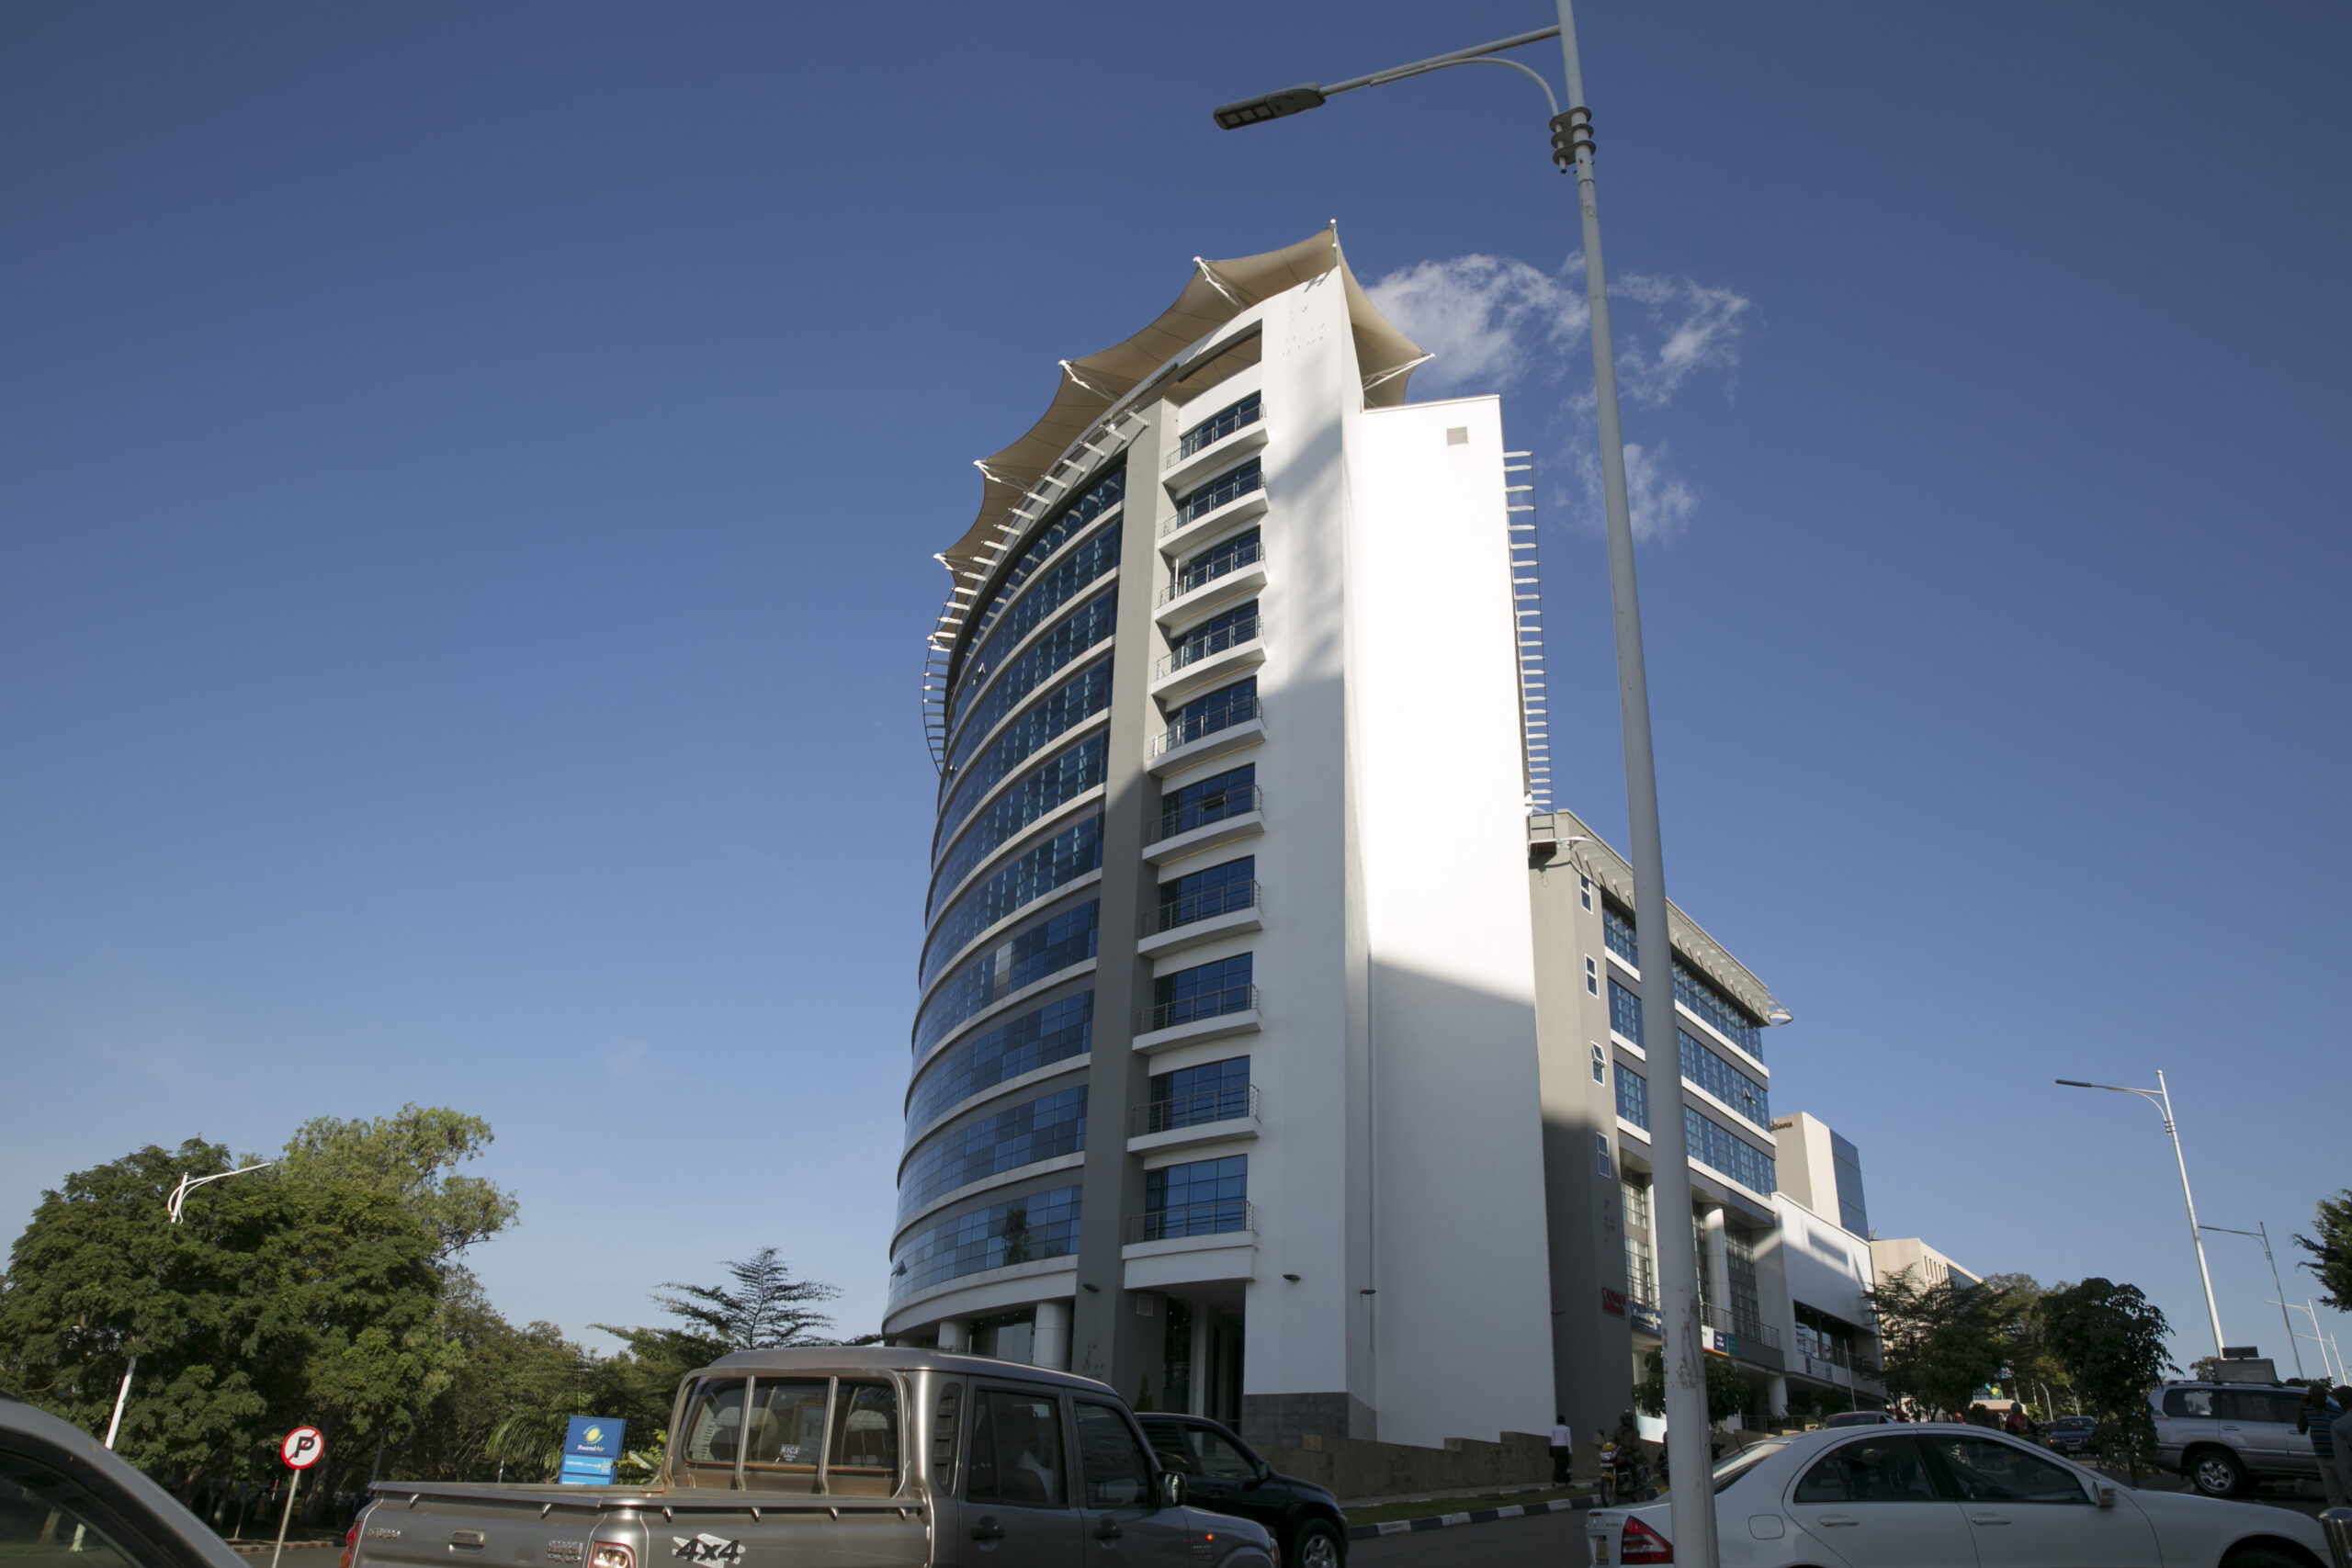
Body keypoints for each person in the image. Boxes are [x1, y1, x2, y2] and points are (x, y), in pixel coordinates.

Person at [1550, 1415, 1575, 1485]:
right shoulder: (1567, 1429)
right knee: (1565, 1464)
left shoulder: (1554, 1429)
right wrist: (1570, 1452)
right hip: (1564, 1448)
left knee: (1557, 1465)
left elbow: (1552, 1440)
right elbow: (1568, 1441)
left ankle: (1553, 1481)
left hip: (1555, 1448)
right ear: (1564, 1421)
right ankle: (1566, 1481)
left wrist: (1551, 1451)